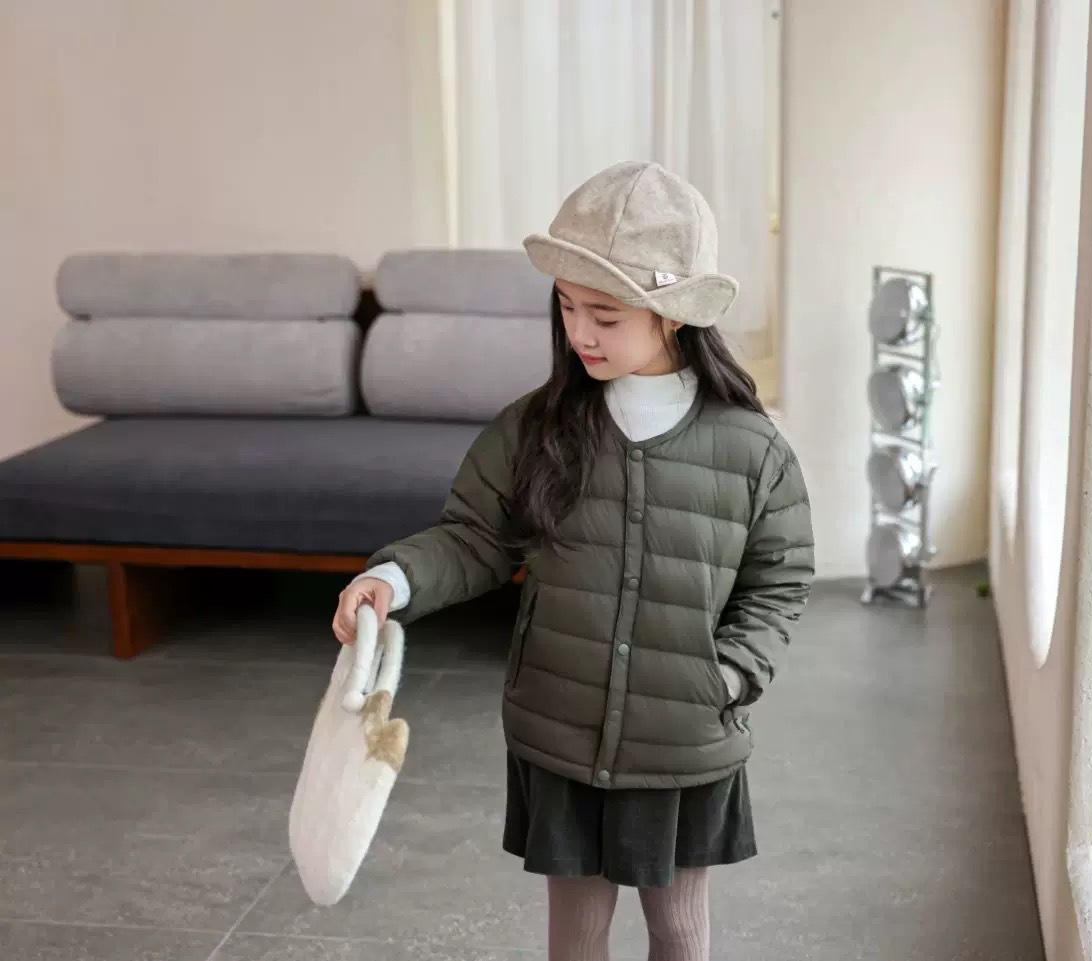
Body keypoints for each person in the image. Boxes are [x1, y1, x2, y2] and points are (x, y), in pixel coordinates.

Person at [332, 160, 815, 961]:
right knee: (577, 936)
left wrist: (728, 674)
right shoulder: (535, 429)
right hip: (560, 730)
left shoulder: (752, 449)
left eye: (605, 313)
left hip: (683, 738)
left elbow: (779, 580)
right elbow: (474, 537)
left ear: (673, 316)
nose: (580, 332)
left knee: (679, 930)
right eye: (566, 305)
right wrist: (393, 577)